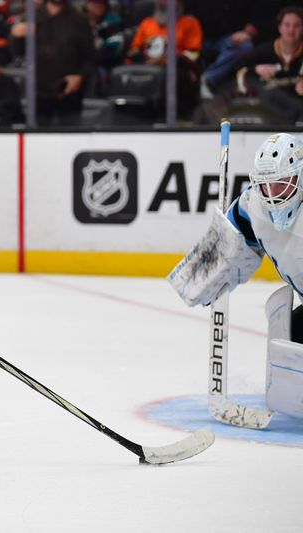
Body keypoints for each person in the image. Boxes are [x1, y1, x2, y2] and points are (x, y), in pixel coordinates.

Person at [169, 133, 303, 420]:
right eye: (265, 184)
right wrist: (200, 280)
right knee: (293, 332)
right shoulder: (253, 207)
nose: (273, 192)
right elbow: (226, 243)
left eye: (281, 183)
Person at [10, 0, 94, 126]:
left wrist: (79, 76)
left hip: (69, 91)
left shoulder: (79, 20)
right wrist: (16, 36)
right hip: (40, 91)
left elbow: (90, 58)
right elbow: (18, 53)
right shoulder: (32, 17)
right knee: (39, 137)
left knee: (70, 135)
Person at [235, 6, 303, 124]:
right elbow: (237, 71)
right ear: (279, 27)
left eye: (297, 25)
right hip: (267, 112)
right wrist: (255, 69)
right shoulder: (263, 51)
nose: (291, 30)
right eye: (287, 25)